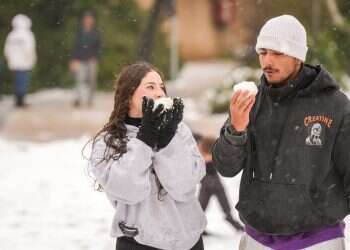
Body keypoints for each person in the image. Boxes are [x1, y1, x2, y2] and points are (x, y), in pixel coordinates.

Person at [212, 15, 350, 250]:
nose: (268, 60)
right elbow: (226, 167)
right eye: (263, 52)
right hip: (257, 238)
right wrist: (236, 129)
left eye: (278, 53)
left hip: (318, 239)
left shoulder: (334, 105)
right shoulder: (251, 101)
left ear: (297, 56)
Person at [88, 62, 206, 250]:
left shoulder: (179, 131)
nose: (159, 93)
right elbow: (128, 190)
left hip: (188, 240)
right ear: (128, 97)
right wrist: (145, 140)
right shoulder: (108, 141)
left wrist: (167, 143)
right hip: (138, 241)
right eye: (150, 87)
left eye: (162, 87)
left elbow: (184, 186)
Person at [195, 134, 244, 234]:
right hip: (208, 182)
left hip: (211, 181)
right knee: (201, 208)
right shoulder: (197, 151)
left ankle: (230, 220)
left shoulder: (209, 151)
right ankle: (197, 228)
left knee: (219, 205)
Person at [4, 14, 37, 107]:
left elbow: (7, 50)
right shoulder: (27, 34)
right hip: (24, 63)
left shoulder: (12, 35)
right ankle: (21, 100)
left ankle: (18, 100)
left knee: (17, 81)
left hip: (14, 63)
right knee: (23, 81)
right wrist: (32, 59)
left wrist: (10, 59)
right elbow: (30, 49)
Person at [70, 10, 102, 107]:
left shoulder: (96, 33)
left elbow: (99, 47)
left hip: (91, 60)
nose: (88, 20)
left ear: (92, 20)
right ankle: (78, 99)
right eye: (86, 18)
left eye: (89, 19)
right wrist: (73, 59)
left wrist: (96, 57)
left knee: (92, 81)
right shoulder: (79, 33)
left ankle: (90, 100)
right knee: (79, 80)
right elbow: (75, 46)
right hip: (80, 60)